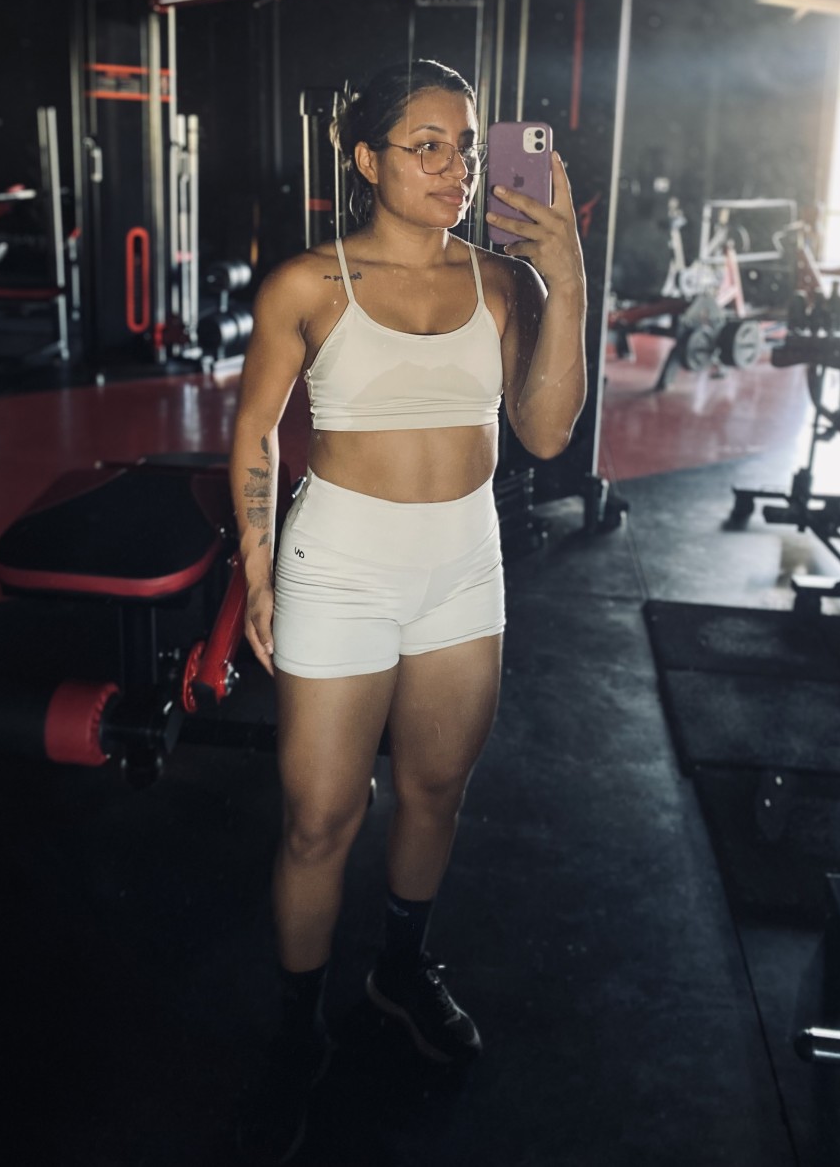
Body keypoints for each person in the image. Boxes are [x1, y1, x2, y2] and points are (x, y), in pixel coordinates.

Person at [228, 58, 587, 1164]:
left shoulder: (504, 283)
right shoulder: (308, 284)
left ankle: (398, 968)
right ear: (365, 159)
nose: (456, 167)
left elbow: (544, 435)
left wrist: (568, 276)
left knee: (435, 791)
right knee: (320, 818)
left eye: (466, 146)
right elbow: (255, 432)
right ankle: (297, 1023)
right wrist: (260, 572)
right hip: (340, 563)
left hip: (463, 564)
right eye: (426, 145)